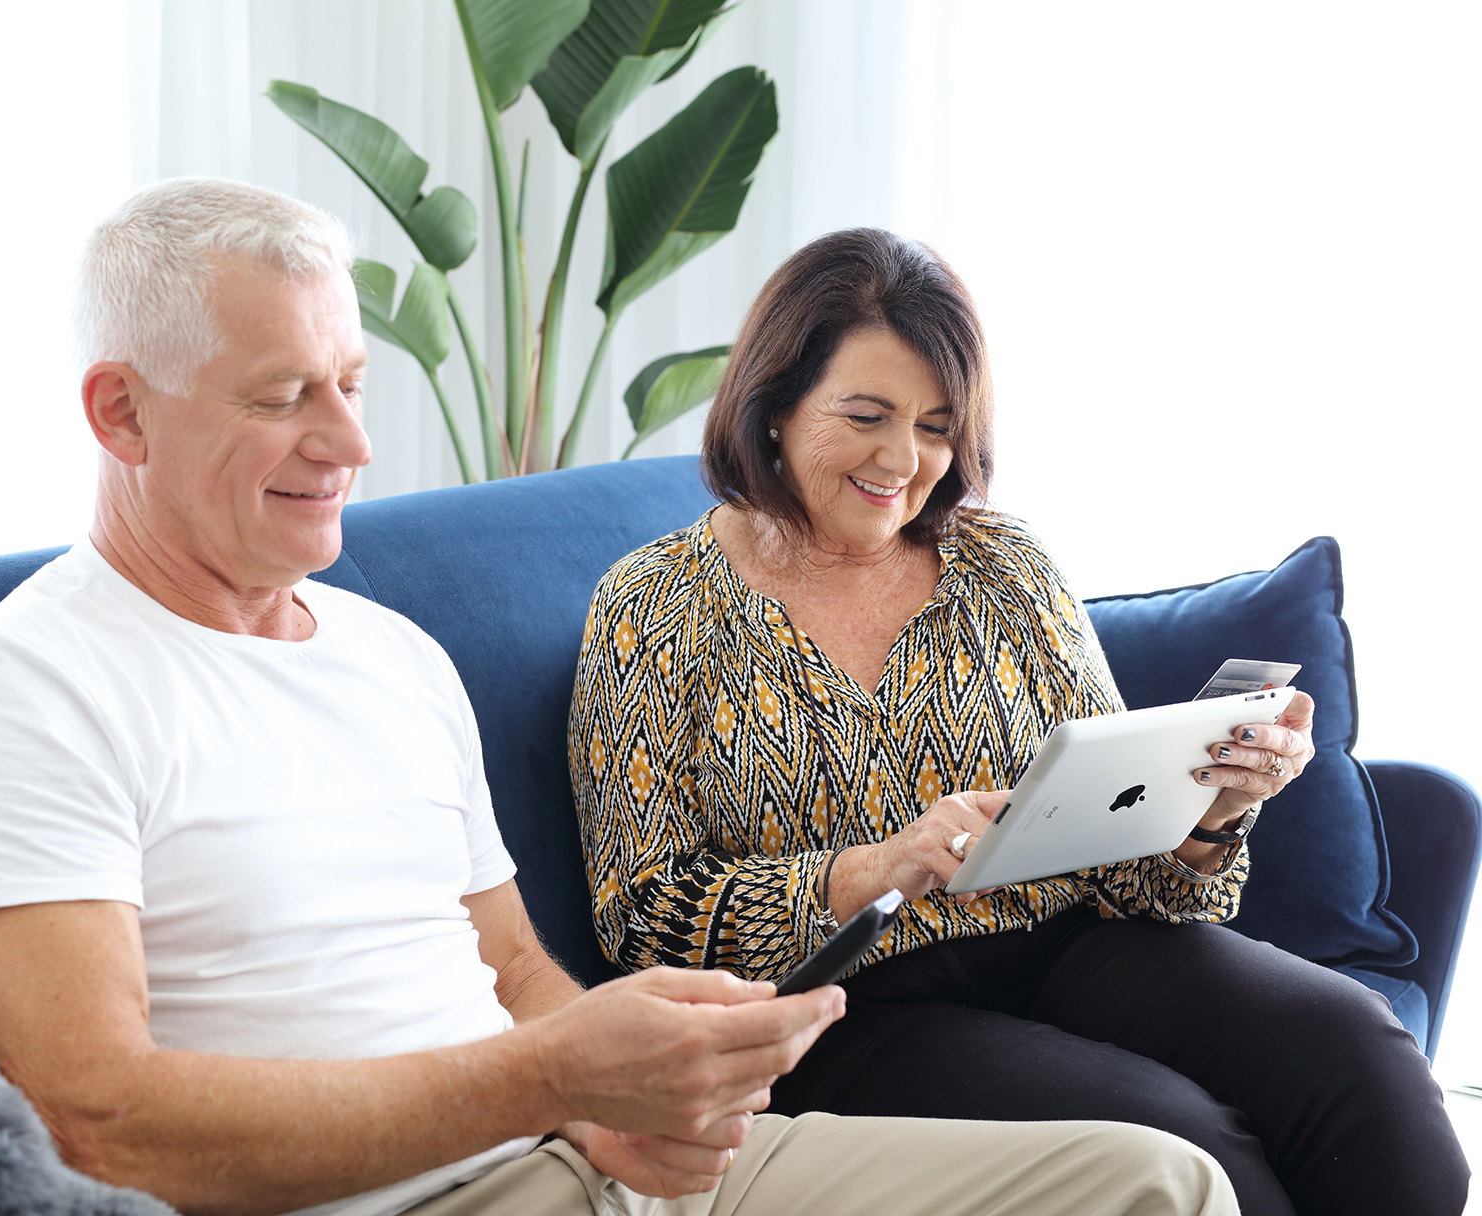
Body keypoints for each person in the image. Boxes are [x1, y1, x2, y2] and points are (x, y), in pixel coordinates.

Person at [0, 181, 1237, 1216]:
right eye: (285, 397)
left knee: (1156, 1184)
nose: (352, 443)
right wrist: (556, 1081)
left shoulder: (389, 657)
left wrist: (618, 1093)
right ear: (120, 413)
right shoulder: (20, 691)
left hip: (585, 1157)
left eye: (351, 384)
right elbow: (97, 1121)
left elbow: (520, 976)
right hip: (427, 1192)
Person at [567, 228, 1470, 1216]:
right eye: (865, 415)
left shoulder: (1005, 565)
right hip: (854, 1007)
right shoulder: (655, 607)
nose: (902, 459)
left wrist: (1208, 811)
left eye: (937, 426)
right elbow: (640, 923)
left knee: (1367, 1066)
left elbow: (1140, 876)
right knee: (1186, 1149)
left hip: (1075, 941)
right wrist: (871, 871)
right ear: (773, 403)